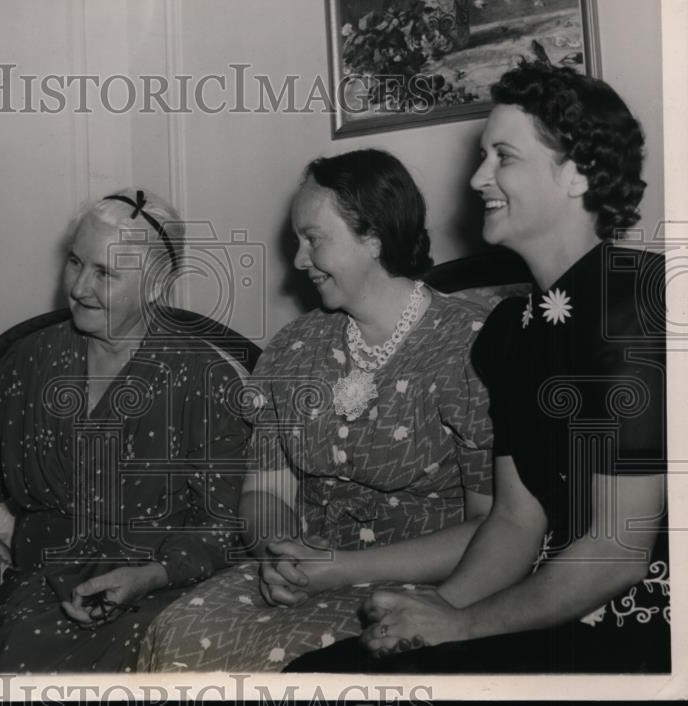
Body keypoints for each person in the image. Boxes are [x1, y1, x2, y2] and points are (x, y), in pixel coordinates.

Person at [286, 62, 669, 674]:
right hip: (550, 599)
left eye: (504, 157)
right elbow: (517, 520)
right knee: (326, 674)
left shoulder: (635, 304)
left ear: (579, 175)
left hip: (644, 622)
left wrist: (460, 623)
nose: (477, 176)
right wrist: (428, 614)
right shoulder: (509, 332)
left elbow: (619, 554)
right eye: (483, 154)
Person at [138, 149, 496, 672]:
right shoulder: (295, 346)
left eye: (314, 239)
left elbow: (493, 526)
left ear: (372, 237)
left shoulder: (470, 345)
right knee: (178, 634)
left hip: (431, 585)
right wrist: (276, 553)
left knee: (311, 670)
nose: (299, 260)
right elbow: (265, 489)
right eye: (297, 241)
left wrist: (341, 569)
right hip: (308, 571)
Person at [0, 188, 250, 673]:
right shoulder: (28, 361)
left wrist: (154, 574)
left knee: (159, 658)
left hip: (163, 590)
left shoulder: (204, 378)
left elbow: (222, 520)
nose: (79, 287)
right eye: (74, 262)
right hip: (42, 589)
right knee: (21, 652)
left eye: (104, 273)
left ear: (155, 284)